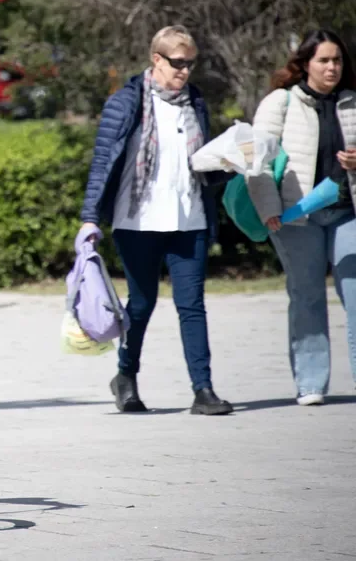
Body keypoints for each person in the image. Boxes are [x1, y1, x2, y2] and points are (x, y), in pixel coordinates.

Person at [80, 26, 232, 416]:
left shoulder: (194, 102)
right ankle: (125, 378)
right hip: (138, 220)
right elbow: (102, 163)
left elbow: (199, 164)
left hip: (189, 218)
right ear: (156, 59)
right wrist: (89, 218)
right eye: (177, 63)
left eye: (190, 63)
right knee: (142, 303)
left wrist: (228, 165)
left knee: (192, 305)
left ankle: (204, 390)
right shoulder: (126, 101)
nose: (184, 71)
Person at [249, 29, 356, 406]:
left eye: (337, 60)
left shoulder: (351, 103)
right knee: (307, 295)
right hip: (296, 217)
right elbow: (256, 161)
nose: (332, 67)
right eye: (324, 60)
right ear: (306, 64)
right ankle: (311, 383)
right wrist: (268, 211)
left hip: (347, 214)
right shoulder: (281, 102)